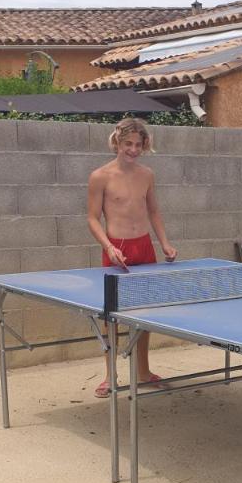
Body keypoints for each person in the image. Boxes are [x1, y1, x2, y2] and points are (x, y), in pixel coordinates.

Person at [86, 117, 178, 398]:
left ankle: (143, 372)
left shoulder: (147, 175)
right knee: (111, 317)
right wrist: (109, 247)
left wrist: (165, 243)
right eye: (128, 143)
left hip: (144, 249)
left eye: (139, 144)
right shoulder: (100, 176)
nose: (133, 149)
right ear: (117, 142)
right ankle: (109, 375)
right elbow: (91, 218)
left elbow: (153, 212)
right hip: (116, 250)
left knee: (144, 314)